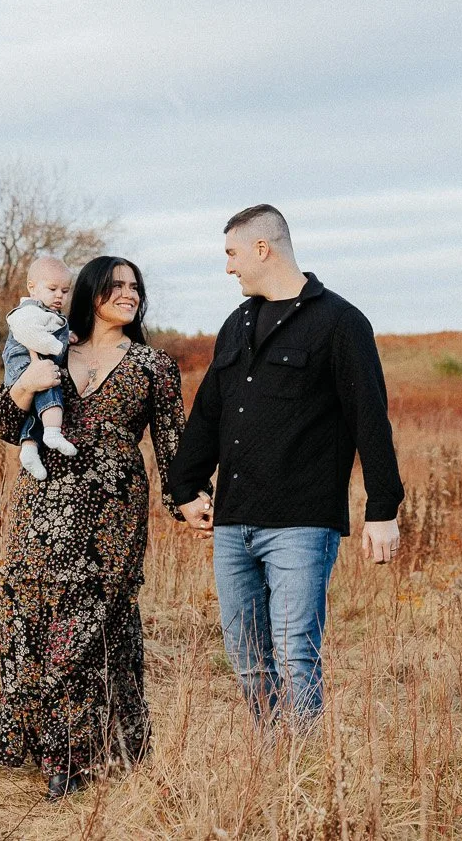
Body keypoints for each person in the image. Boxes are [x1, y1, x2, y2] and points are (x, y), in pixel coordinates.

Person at [167, 204, 403, 731]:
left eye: (231, 254)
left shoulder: (341, 323)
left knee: (296, 653)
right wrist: (184, 487)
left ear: (261, 248)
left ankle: (302, 770)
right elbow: (209, 412)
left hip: (301, 520)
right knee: (247, 657)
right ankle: (272, 763)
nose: (228, 268)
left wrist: (382, 508)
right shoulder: (237, 324)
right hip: (233, 522)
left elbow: (371, 418)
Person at [0, 255, 188, 800]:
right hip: (43, 509)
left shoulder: (153, 366)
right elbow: (1, 423)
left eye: (135, 286)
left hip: (114, 514)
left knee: (95, 622)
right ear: (91, 292)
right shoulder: (45, 346)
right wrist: (27, 385)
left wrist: (190, 503)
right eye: (116, 285)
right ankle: (49, 745)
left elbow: (173, 449)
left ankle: (76, 756)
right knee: (35, 616)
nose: (129, 293)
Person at [2, 254, 79, 481]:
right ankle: (53, 433)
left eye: (65, 291)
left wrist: (68, 335)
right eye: (53, 289)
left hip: (27, 366)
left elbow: (55, 327)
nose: (59, 296)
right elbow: (29, 333)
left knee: (34, 410)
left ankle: (29, 449)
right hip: (23, 364)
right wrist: (57, 346)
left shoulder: (48, 313)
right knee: (50, 383)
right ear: (32, 288)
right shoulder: (29, 311)